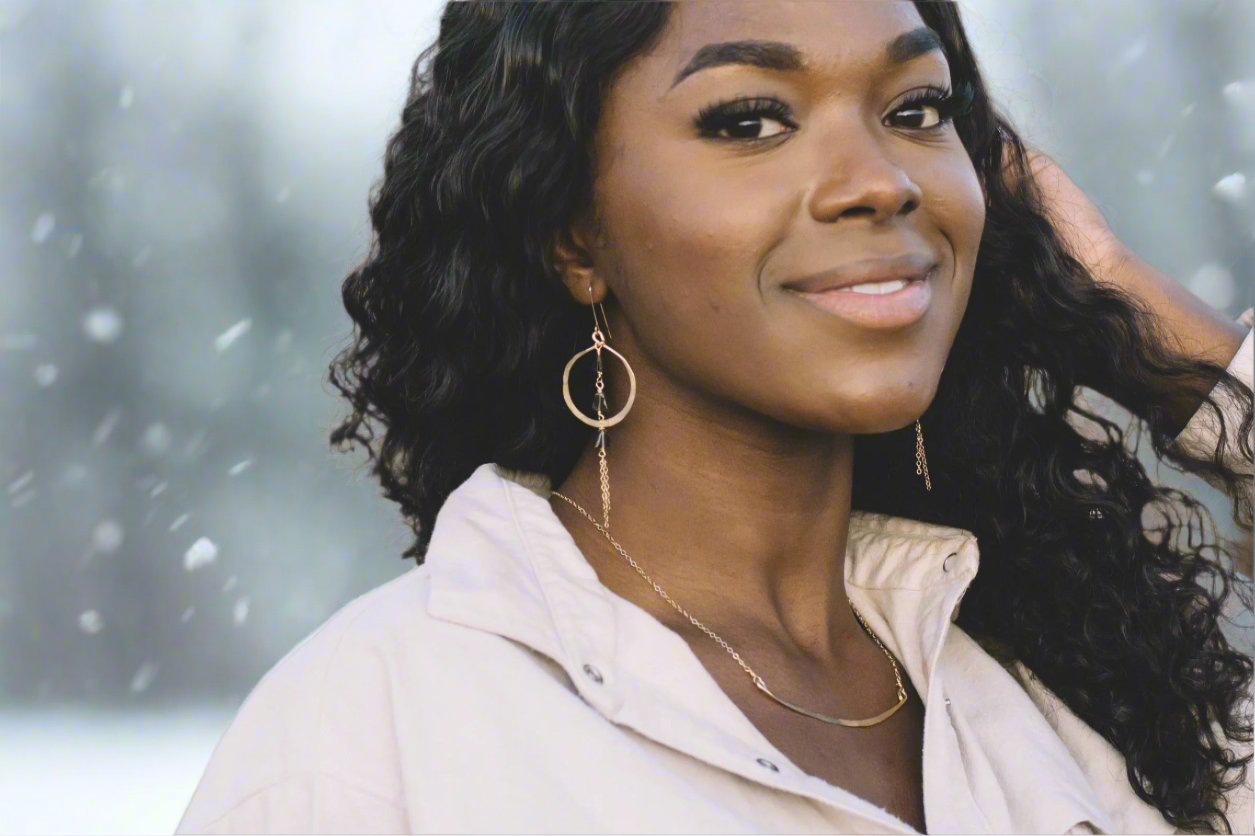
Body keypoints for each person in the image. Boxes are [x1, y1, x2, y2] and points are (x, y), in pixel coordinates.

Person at [175, 1, 1255, 833]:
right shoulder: (372, 735)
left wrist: (1164, 343)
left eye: (915, 110)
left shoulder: (1090, 721)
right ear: (573, 232)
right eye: (750, 119)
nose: (877, 180)